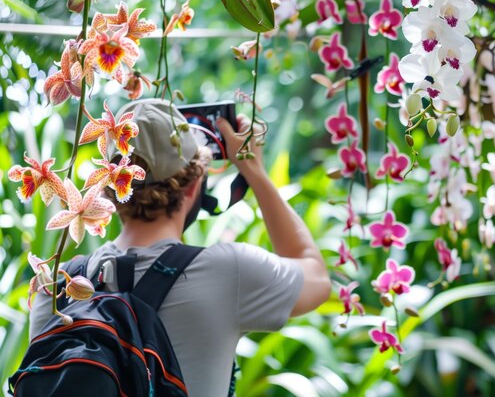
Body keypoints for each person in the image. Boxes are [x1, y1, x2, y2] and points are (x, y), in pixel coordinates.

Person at [29, 98, 332, 397]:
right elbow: (317, 276)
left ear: (110, 186)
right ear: (193, 185)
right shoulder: (230, 272)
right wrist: (255, 172)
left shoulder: (57, 288)